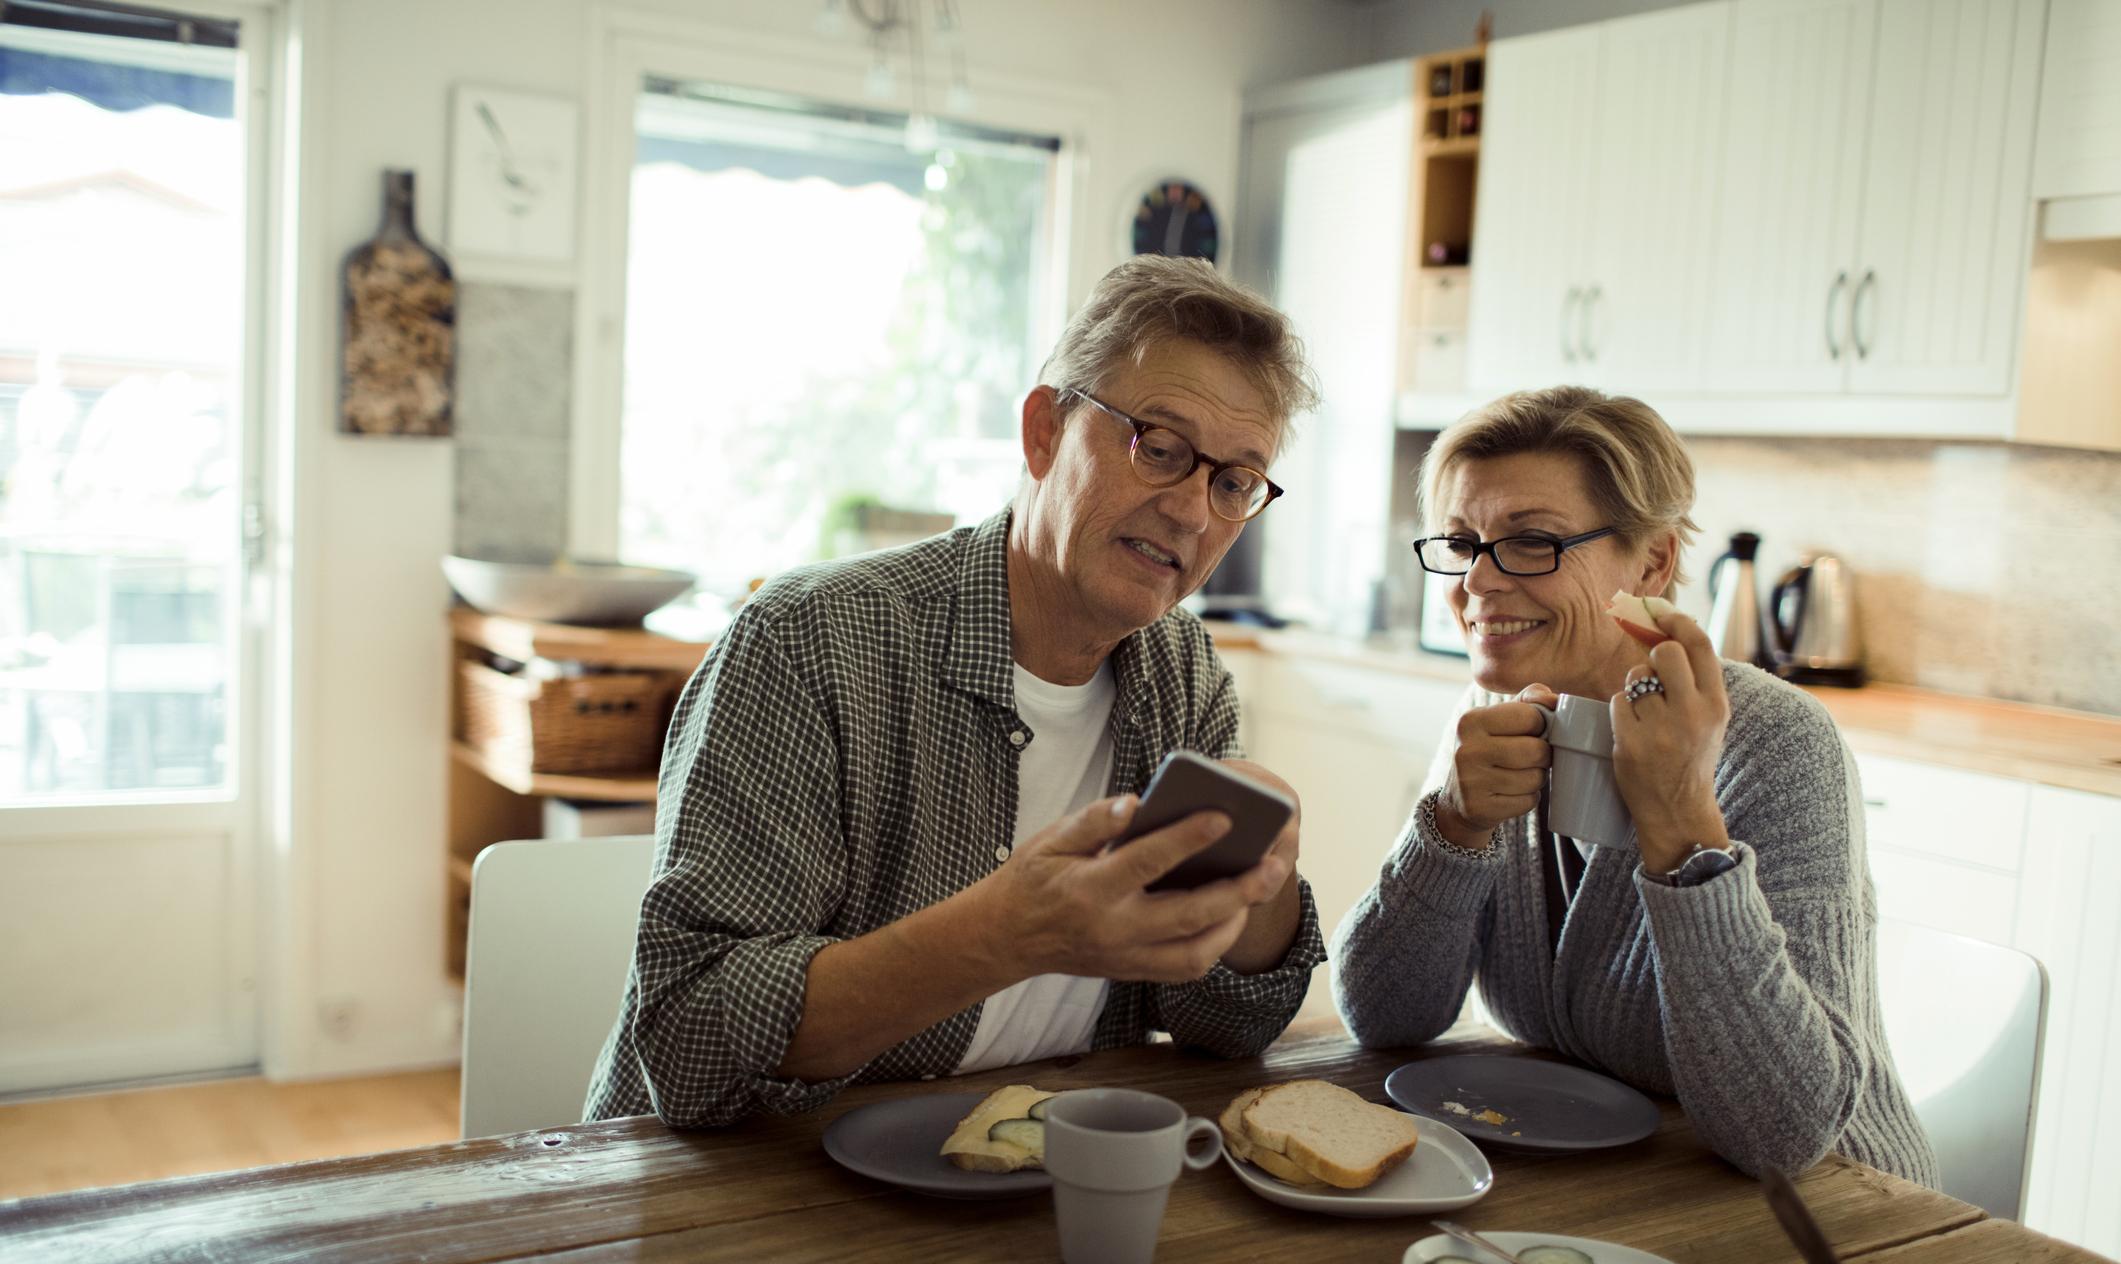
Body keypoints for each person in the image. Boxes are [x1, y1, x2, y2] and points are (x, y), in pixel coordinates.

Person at [586, 256, 1326, 1127]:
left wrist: (1263, 884)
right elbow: (689, 1041)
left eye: (1233, 482)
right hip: (751, 1175)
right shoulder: (812, 639)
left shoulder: (1184, 675)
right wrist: (1006, 935)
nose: (1193, 512)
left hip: (1023, 1170)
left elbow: (1226, 1032)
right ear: (1043, 433)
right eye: (1158, 448)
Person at [1333, 386, 1937, 1184]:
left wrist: (1682, 823)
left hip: (1839, 1209)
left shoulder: (1774, 742)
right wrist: (1453, 826)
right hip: (1610, 1181)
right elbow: (1382, 1018)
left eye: (1530, 542)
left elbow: (1781, 1136)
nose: (1475, 582)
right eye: (1462, 542)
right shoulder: (1491, 710)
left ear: (1651, 561)